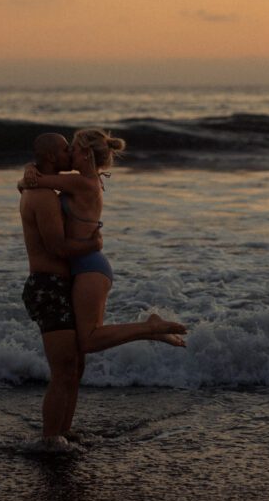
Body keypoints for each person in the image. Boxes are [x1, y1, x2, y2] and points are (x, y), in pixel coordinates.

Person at [20, 127, 187, 357]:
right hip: (82, 265)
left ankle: (150, 328)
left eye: (74, 149)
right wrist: (29, 169)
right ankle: (151, 330)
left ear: (86, 154)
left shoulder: (82, 183)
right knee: (84, 340)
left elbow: (34, 182)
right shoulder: (85, 181)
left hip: (90, 265)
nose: (70, 153)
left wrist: (30, 170)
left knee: (88, 340)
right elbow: (32, 182)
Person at [19, 132, 102, 446]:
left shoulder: (40, 185)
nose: (72, 152)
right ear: (53, 157)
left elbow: (30, 177)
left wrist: (28, 172)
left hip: (58, 285)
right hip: (47, 287)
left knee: (75, 366)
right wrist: (92, 244)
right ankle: (50, 440)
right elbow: (57, 247)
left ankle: (63, 432)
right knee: (64, 368)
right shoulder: (42, 196)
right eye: (67, 148)